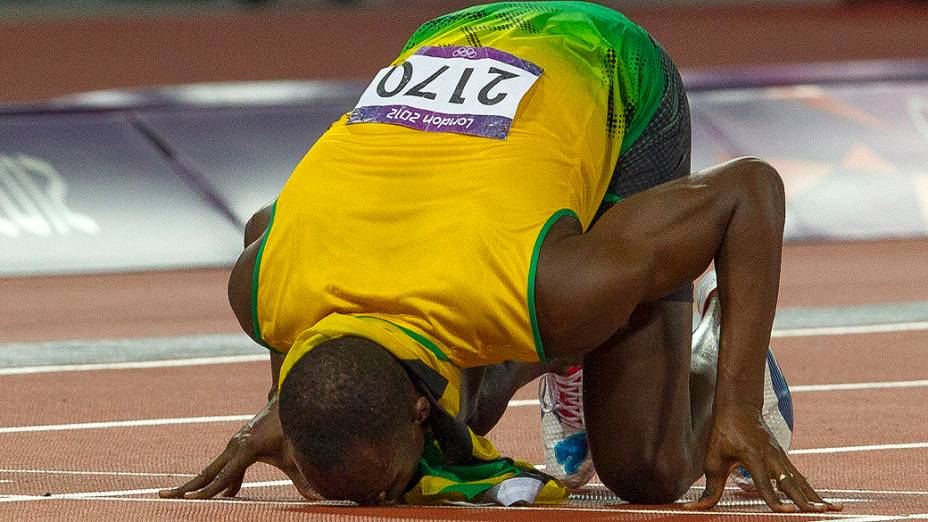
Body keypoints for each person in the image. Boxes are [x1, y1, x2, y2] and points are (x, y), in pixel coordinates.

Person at [160, 2, 841, 511]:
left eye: (402, 487)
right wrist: (292, 401)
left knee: (647, 473)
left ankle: (703, 351)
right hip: (448, 41)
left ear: (419, 413)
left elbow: (749, 191)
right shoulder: (261, 285)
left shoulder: (557, 288)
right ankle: (579, 362)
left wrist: (737, 407)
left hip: (608, 69)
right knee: (471, 410)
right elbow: (268, 228)